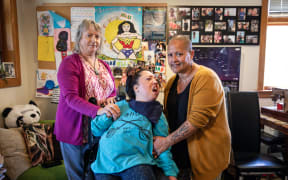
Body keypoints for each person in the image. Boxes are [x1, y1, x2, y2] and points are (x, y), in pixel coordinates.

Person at [153, 35, 231, 180]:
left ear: (192, 54)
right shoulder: (171, 83)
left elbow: (197, 120)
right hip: (179, 158)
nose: (174, 59)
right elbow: (168, 117)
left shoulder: (207, 77)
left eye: (179, 54)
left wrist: (166, 142)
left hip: (204, 157)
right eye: (170, 55)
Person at [55, 19, 121, 180]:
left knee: (95, 174)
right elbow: (71, 98)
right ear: (79, 39)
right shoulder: (69, 63)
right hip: (75, 130)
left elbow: (112, 92)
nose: (94, 40)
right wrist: (99, 110)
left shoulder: (104, 65)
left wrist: (111, 101)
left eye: (97, 36)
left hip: (99, 131)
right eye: (89, 35)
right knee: (78, 176)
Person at [91, 69, 179, 180]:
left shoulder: (157, 113)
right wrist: (107, 115)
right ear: (136, 88)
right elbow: (95, 130)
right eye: (149, 79)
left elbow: (163, 146)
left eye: (156, 79)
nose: (155, 81)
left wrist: (170, 173)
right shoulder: (120, 105)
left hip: (136, 162)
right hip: (104, 164)